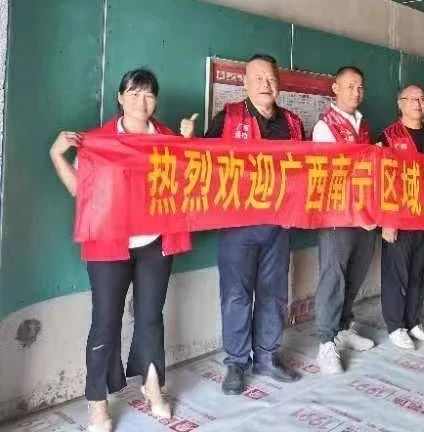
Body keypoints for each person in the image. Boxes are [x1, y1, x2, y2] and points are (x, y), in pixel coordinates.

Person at [50, 68, 192, 432]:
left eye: (148, 95)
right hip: (108, 245)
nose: (141, 102)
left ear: (156, 101)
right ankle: (97, 401)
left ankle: (152, 384)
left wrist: (188, 146)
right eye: (133, 94)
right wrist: (57, 156)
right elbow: (80, 191)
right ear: (120, 97)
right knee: (105, 322)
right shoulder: (100, 141)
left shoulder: (168, 138)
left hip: (154, 243)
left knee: (151, 318)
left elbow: (188, 186)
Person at [202, 54, 305, 394]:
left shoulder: (292, 123)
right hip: (238, 225)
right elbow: (201, 162)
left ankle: (267, 356)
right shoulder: (228, 118)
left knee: (274, 293)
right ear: (244, 83)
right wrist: (188, 139)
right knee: (236, 294)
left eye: (271, 78)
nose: (265, 84)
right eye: (258, 78)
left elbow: (307, 169)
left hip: (278, 224)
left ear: (279, 84)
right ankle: (236, 362)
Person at [312, 66, 377, 373]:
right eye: (350, 86)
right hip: (338, 214)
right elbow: (332, 175)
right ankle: (326, 343)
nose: (356, 92)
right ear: (335, 88)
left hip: (364, 214)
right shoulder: (325, 126)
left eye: (360, 87)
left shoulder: (363, 124)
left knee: (356, 273)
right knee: (334, 276)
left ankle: (343, 327)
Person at [378, 84, 424, 350]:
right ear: (400, 104)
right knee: (397, 274)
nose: (418, 103)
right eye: (412, 99)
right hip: (400, 216)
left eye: (422, 98)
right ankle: (395, 326)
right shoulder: (388, 136)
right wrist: (387, 219)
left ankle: (414, 321)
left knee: (419, 272)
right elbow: (382, 179)